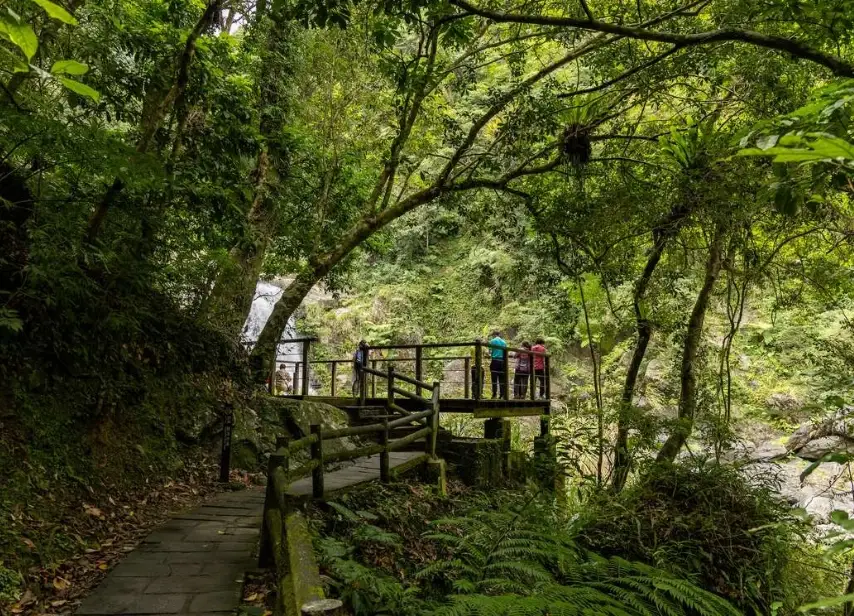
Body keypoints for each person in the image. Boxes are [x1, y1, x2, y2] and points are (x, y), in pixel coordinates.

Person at [488, 330, 507, 399]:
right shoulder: (504, 342)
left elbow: (490, 352)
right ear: (499, 335)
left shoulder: (492, 341)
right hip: (502, 361)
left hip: (495, 361)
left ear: (494, 335)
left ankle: (494, 394)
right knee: (501, 378)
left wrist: (490, 354)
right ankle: (502, 394)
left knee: (494, 378)